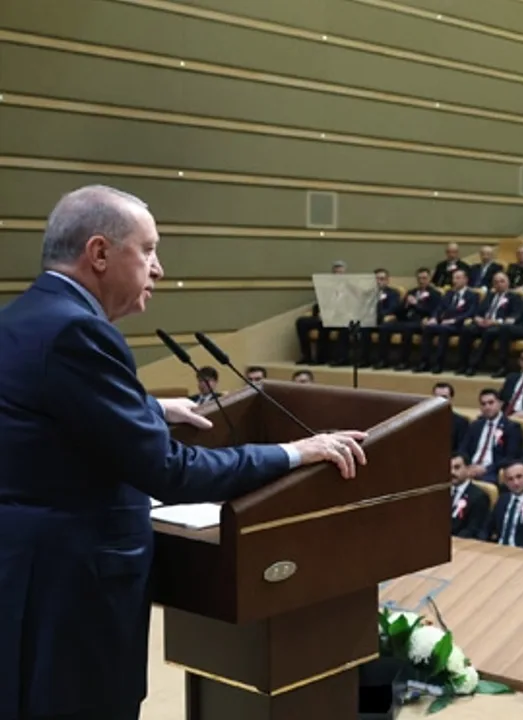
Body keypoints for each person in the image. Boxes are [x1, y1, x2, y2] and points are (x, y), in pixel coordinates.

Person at [0, 185, 369, 720]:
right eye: (148, 250)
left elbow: (42, 410)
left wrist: (146, 407)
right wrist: (293, 453)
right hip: (75, 590)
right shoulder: (79, 331)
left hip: (29, 572)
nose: (159, 268)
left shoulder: (24, 316)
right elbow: (171, 471)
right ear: (99, 253)